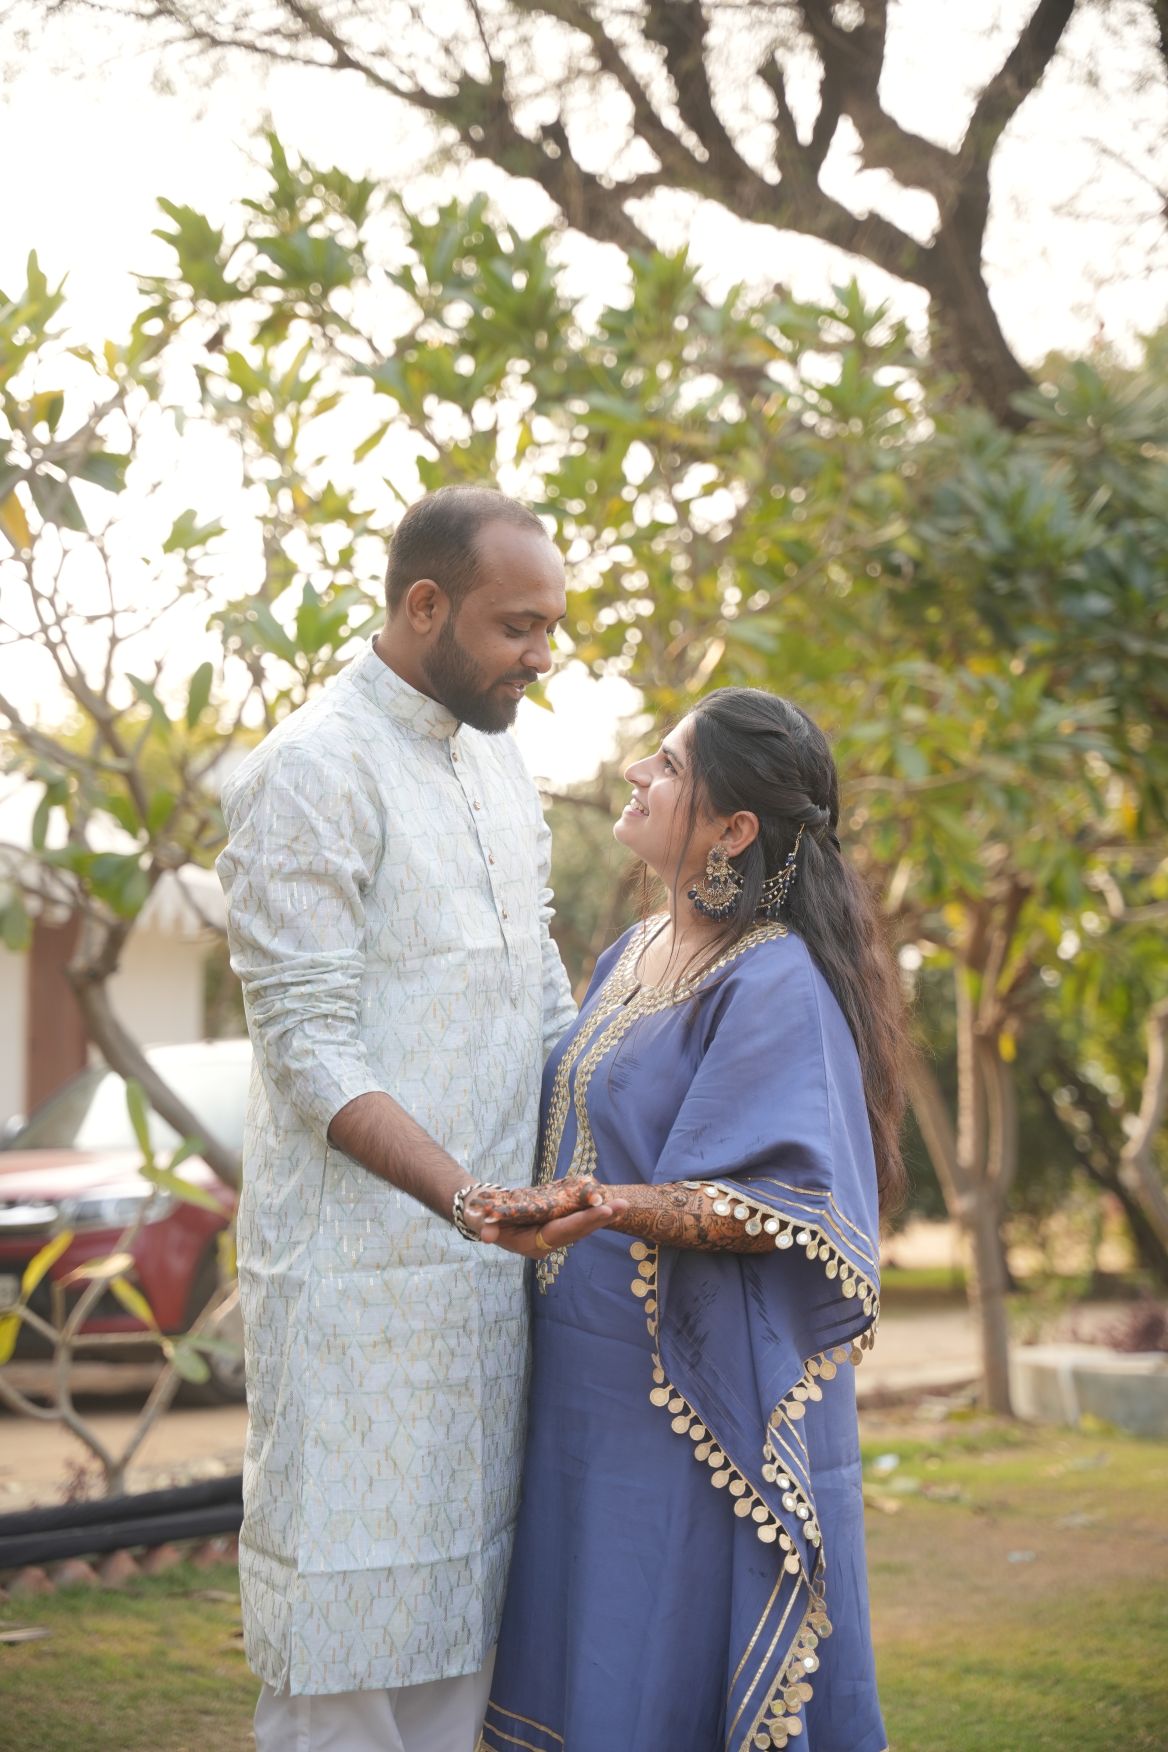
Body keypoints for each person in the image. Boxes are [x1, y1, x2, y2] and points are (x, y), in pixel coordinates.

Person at [215, 485, 617, 1752]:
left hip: (489, 1280)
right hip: (354, 1286)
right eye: (518, 627)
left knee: (463, 1634)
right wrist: (467, 1198)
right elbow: (307, 1044)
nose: (541, 658)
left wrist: (610, 1142)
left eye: (550, 628)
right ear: (426, 606)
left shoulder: (496, 757)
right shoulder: (309, 771)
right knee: (341, 1653)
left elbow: (537, 988)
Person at [467, 687, 908, 1752]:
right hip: (583, 1388)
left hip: (691, 1403)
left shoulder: (774, 977)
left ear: (733, 828)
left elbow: (777, 1202)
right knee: (587, 1656)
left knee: (661, 1654)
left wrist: (599, 1202)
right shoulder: (630, 953)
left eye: (667, 765)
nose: (635, 773)